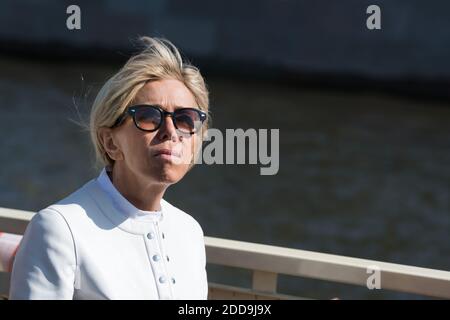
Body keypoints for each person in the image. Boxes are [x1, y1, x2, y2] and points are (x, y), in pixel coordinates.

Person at [10, 37, 210, 300]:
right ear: (110, 142)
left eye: (186, 119)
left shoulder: (190, 232)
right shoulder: (59, 229)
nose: (171, 132)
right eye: (149, 116)